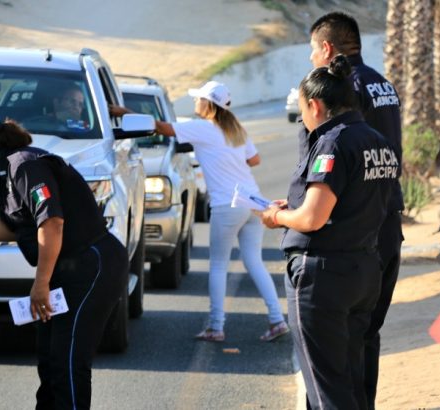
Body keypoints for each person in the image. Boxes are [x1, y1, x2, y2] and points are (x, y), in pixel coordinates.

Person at [0, 112, 128, 409]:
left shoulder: (25, 165)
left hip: (92, 264)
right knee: (50, 361)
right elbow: (14, 230)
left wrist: (41, 283)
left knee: (68, 363)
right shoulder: (3, 175)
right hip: (67, 268)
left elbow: (51, 223)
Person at [258, 55, 398, 408]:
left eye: (304, 110)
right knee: (351, 383)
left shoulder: (333, 143)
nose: (303, 119)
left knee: (327, 392)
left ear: (316, 105)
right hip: (364, 269)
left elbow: (313, 218)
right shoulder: (378, 140)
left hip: (325, 278)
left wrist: (278, 217)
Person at [111, 80, 288, 343]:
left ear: (208, 104)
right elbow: (254, 159)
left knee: (218, 265)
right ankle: (277, 320)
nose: (195, 102)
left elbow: (159, 127)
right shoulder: (235, 129)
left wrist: (123, 112)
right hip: (253, 203)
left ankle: (216, 327)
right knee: (254, 262)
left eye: (198, 99)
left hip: (226, 205)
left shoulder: (202, 128)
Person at [307, 12, 404, 407]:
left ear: (328, 49)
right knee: (367, 331)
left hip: (358, 227)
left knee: (341, 335)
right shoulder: (383, 83)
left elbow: (346, 153)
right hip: (388, 217)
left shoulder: (345, 88)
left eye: (313, 49)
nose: (311, 58)